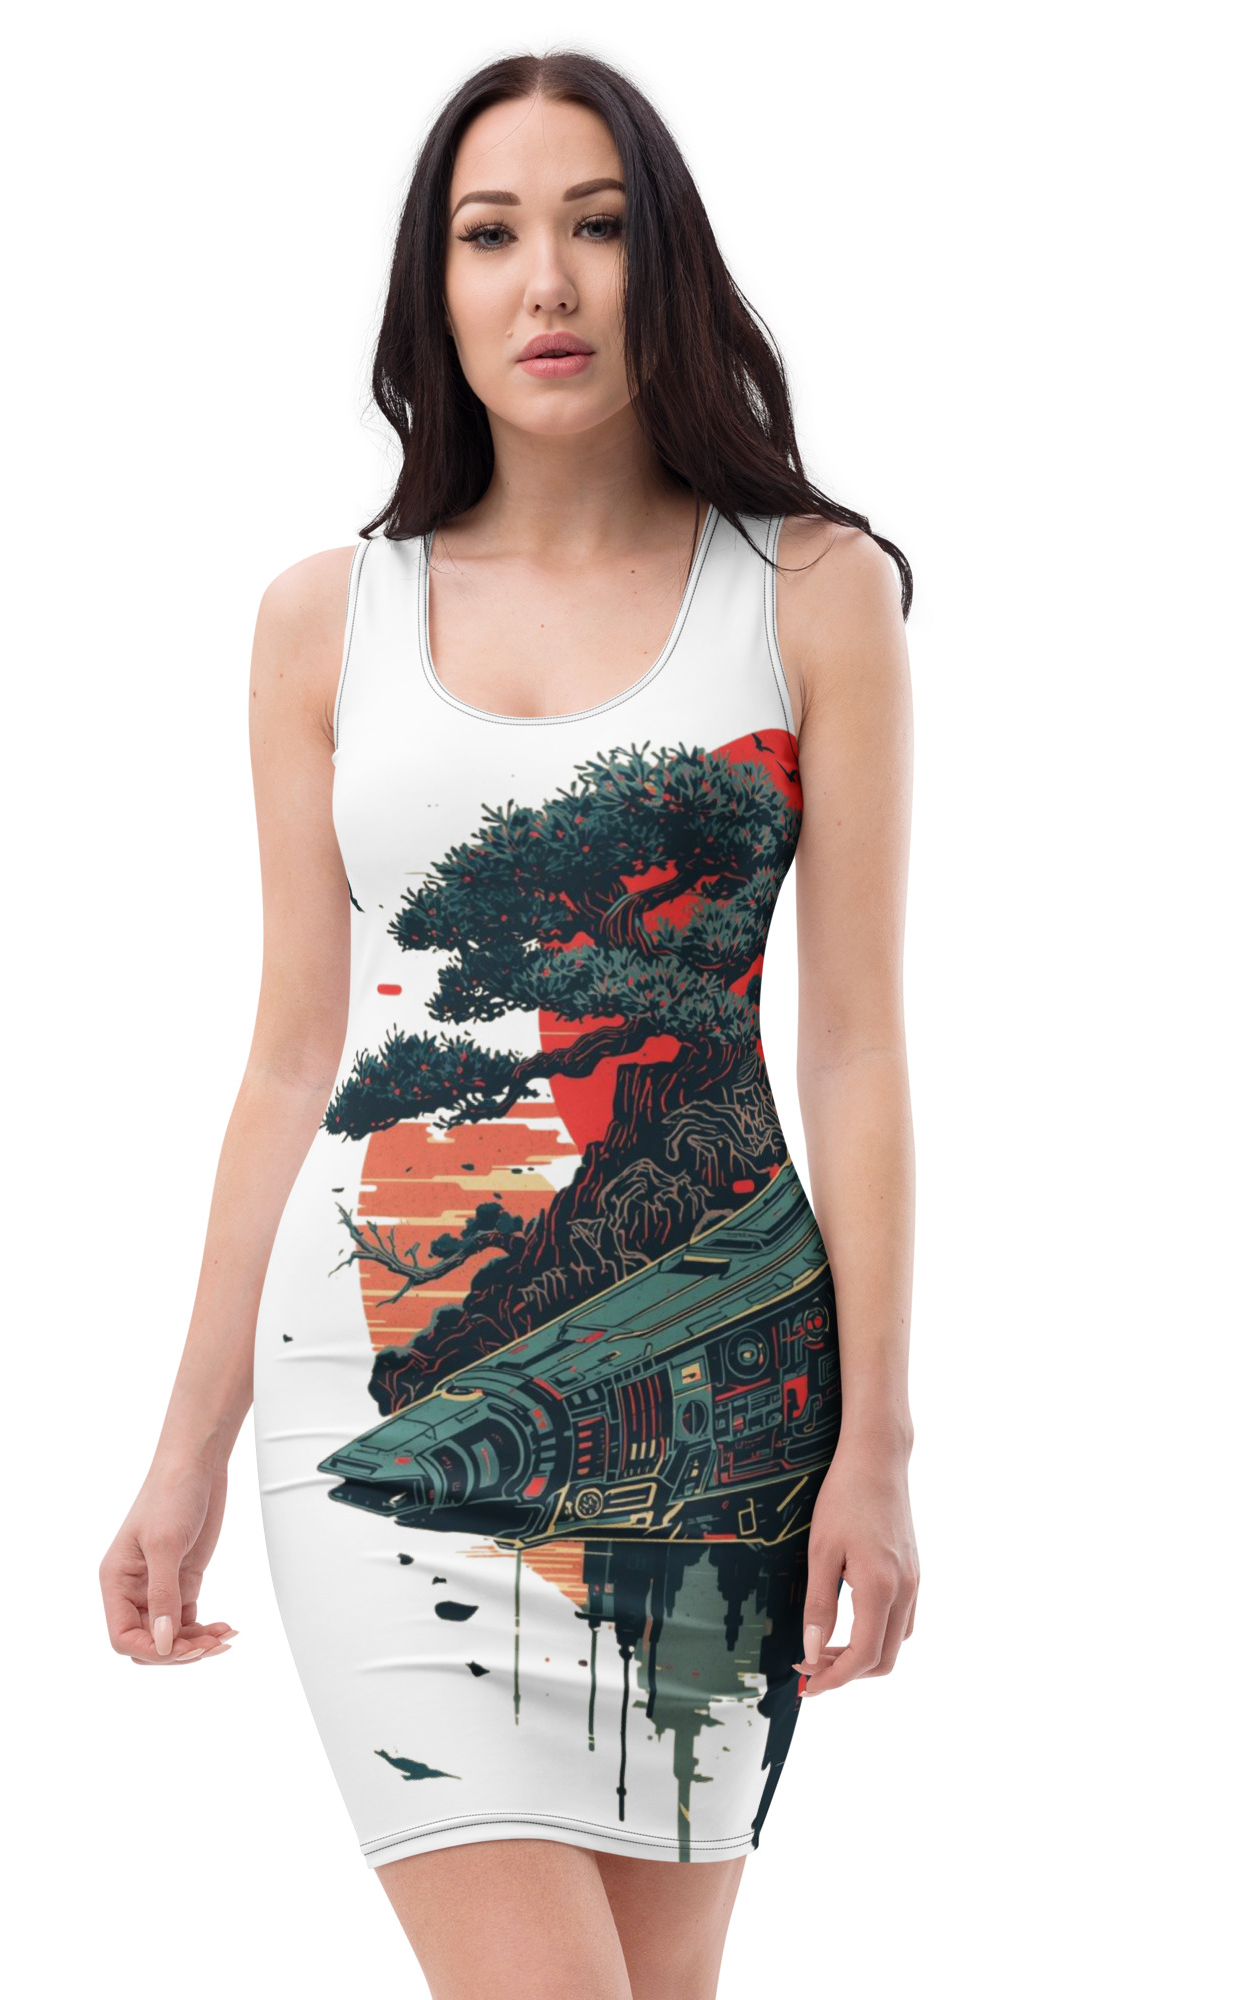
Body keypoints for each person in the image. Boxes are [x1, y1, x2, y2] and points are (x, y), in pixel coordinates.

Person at [98, 50, 919, 2000]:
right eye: (491, 234)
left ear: (667, 264)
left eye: (596, 226)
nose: (545, 280)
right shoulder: (325, 620)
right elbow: (292, 1054)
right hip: (378, 1408)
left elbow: (855, 1048)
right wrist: (186, 1444)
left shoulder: (811, 595)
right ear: (434, 286)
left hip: (727, 1412)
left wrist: (878, 1442)